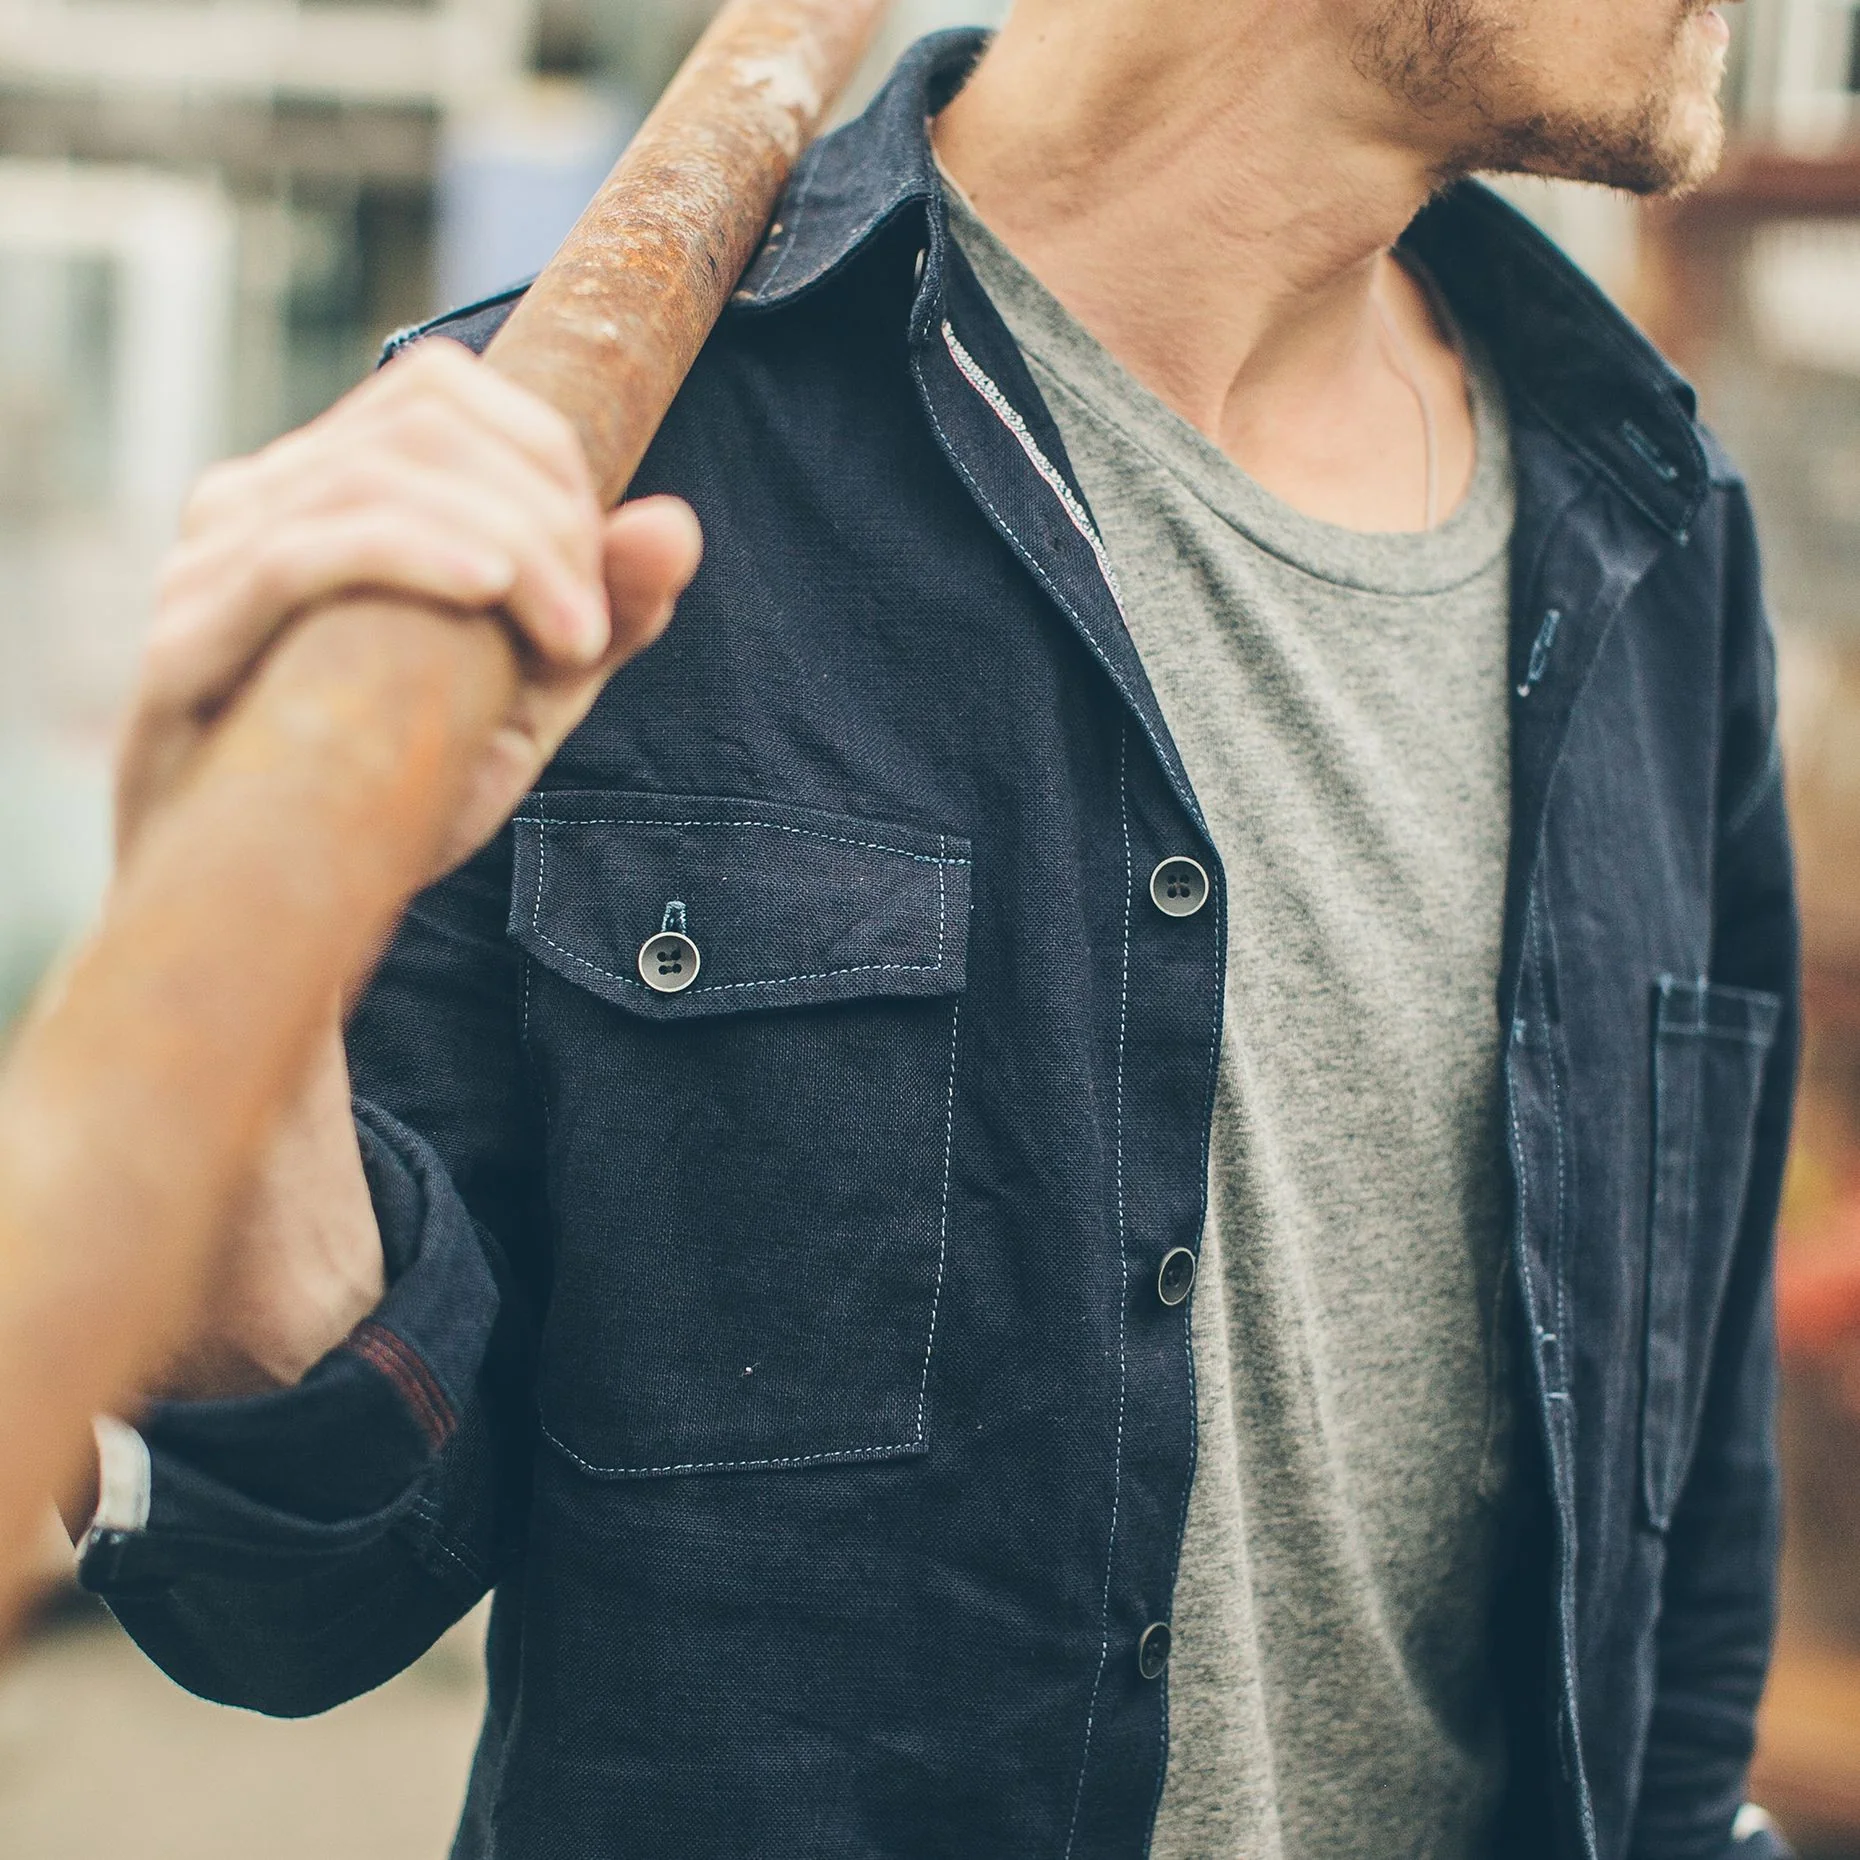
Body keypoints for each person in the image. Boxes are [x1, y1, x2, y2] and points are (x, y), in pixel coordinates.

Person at [77, 2, 1798, 1856]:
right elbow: (302, 1601)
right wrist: (230, 999)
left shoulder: (1656, 535)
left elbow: (1681, 1563)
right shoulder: (569, 496)